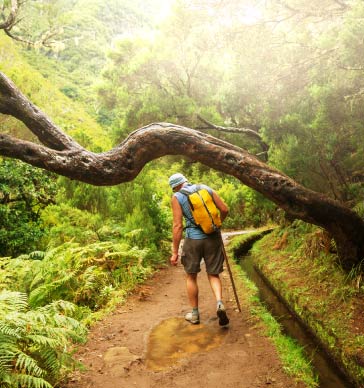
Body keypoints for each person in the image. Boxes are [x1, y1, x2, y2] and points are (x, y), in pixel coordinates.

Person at [168, 172, 230, 326]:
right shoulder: (205, 188)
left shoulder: (177, 197)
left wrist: (175, 252)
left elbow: (177, 226)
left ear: (175, 188)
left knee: (191, 276)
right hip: (213, 238)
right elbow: (224, 209)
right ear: (186, 181)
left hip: (193, 240)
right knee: (213, 274)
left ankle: (195, 314)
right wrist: (216, 225)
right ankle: (219, 303)